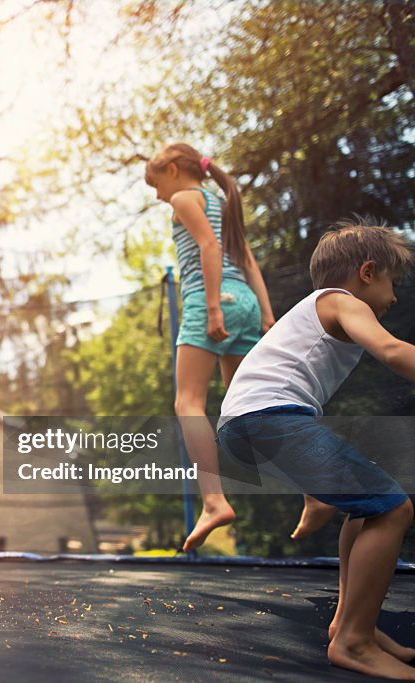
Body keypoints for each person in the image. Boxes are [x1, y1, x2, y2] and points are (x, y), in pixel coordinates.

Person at [217, 220, 415, 679]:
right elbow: (390, 350)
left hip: (246, 425)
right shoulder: (342, 301)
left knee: (369, 507)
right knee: (395, 510)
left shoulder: (317, 307)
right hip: (268, 418)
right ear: (367, 271)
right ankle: (354, 641)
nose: (395, 297)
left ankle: (348, 622)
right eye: (392, 282)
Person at [144, 142, 331, 551]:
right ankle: (313, 490)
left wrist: (212, 308)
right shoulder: (222, 200)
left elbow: (209, 247)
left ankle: (213, 502)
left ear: (173, 170)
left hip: (212, 299)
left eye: (155, 183)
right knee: (250, 407)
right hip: (245, 300)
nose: (157, 195)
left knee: (188, 402)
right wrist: (266, 315)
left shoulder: (184, 196)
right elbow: (245, 258)